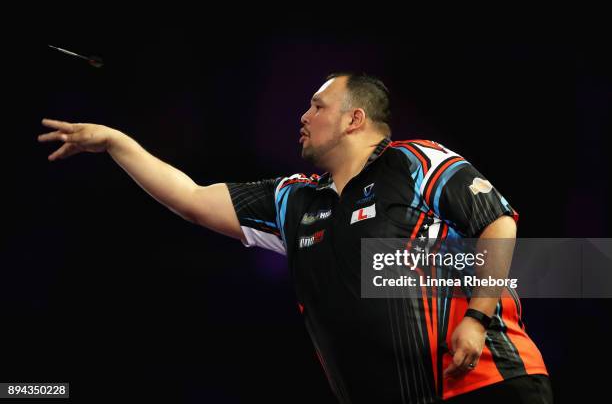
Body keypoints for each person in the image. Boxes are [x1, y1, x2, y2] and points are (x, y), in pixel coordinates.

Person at [38, 73, 552, 403]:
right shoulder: (294, 199)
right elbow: (191, 198)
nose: (302, 117)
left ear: (355, 119)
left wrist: (477, 318)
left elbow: (498, 223)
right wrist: (115, 143)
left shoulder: (415, 161)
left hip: (486, 382)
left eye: (316, 106)